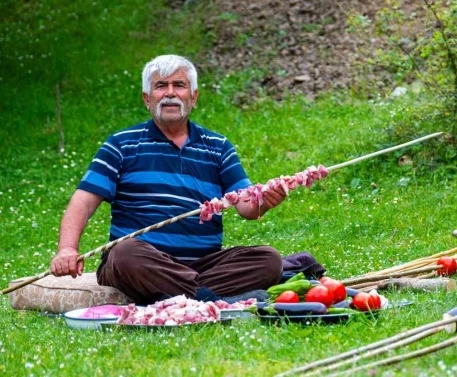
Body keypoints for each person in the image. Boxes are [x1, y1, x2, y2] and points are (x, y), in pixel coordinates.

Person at [49, 55, 287, 304]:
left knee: (269, 260)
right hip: (141, 261)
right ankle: (208, 298)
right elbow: (83, 202)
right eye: (161, 85)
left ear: (193, 97)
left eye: (179, 85)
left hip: (202, 265)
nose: (170, 93)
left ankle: (177, 294)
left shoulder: (218, 147)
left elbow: (247, 206)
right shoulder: (121, 144)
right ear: (147, 98)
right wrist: (67, 249)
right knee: (124, 254)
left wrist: (266, 201)